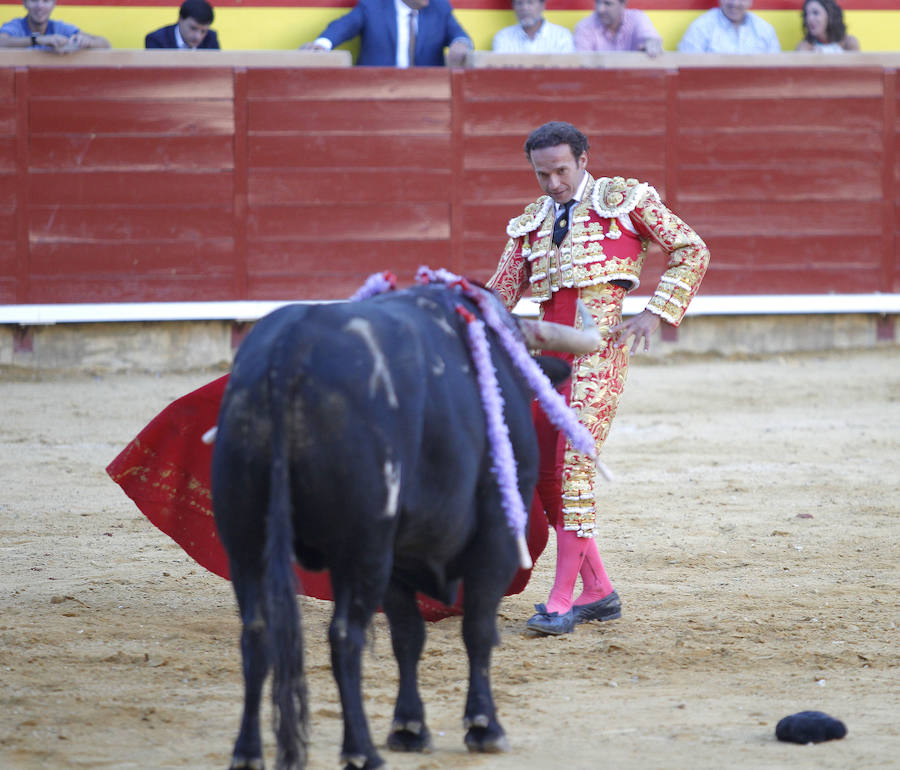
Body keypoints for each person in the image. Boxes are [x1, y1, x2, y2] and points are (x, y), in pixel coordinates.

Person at [487, 121, 709, 635]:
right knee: (544, 470)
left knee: (572, 469)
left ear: (583, 160)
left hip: (598, 354)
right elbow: (498, 295)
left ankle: (562, 599)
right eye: (542, 174)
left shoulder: (624, 198)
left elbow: (691, 248)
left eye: (561, 171)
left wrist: (656, 311)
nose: (552, 184)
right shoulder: (530, 223)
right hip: (543, 362)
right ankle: (599, 591)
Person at [300, 0, 472, 67]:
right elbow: (344, 26)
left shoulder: (439, 7)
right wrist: (322, 45)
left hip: (427, 90)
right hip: (376, 89)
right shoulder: (373, 6)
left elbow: (460, 35)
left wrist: (460, 44)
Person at [0, 0, 109, 52]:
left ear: (53, 5)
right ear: (24, 4)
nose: (40, 6)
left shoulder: (60, 27)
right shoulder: (16, 26)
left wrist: (88, 42)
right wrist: (38, 40)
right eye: (34, 1)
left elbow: (105, 43)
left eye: (46, 1)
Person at [677, 0, 780, 53]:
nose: (734, 3)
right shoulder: (700, 27)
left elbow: (777, 70)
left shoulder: (765, 29)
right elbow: (687, 71)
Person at [573, 0, 663, 58]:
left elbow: (651, 39)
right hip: (598, 84)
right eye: (597, 2)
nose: (600, 9)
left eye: (608, 3)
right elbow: (582, 66)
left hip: (635, 83)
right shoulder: (584, 27)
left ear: (623, 4)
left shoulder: (637, 19)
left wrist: (651, 44)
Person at [492, 0, 575, 54]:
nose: (524, 8)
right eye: (519, 3)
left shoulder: (561, 36)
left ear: (542, 6)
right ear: (514, 7)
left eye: (530, 2)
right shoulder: (503, 37)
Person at [145, 0, 220, 50]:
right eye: (193, 28)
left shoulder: (210, 38)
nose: (197, 36)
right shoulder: (157, 40)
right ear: (180, 19)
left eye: (203, 31)